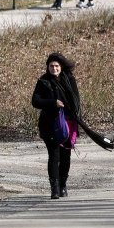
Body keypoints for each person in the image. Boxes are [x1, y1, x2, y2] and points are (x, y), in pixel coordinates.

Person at [31, 52, 81, 199]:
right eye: (51, 66)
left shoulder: (69, 79)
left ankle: (63, 185)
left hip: (68, 123)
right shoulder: (43, 81)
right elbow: (35, 101)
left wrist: (72, 111)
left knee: (65, 156)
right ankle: (54, 188)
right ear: (48, 67)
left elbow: (76, 100)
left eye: (57, 66)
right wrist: (53, 103)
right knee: (54, 156)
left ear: (61, 67)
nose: (54, 68)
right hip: (50, 125)